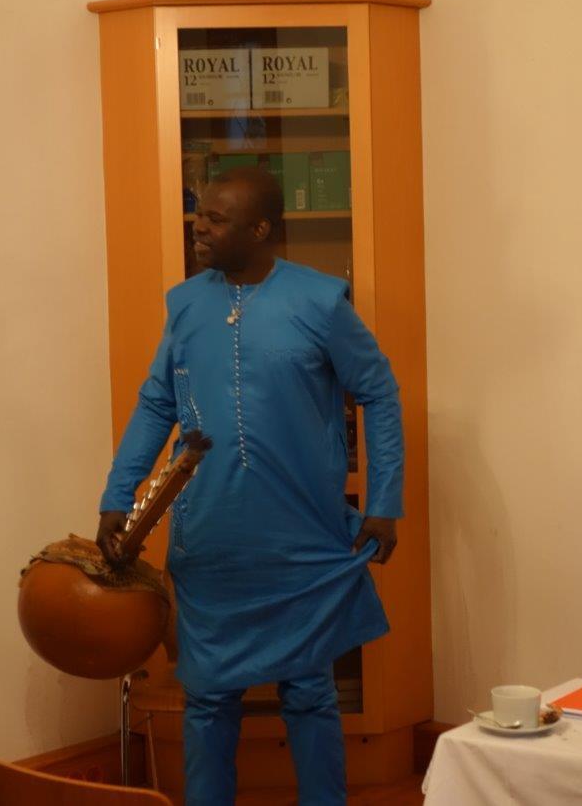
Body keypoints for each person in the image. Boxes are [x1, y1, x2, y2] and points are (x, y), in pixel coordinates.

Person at [97, 167, 404, 805]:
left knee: (309, 693)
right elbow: (156, 403)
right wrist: (118, 497)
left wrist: (383, 503)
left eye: (215, 218)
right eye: (199, 214)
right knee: (209, 700)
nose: (199, 227)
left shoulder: (321, 302)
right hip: (211, 541)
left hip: (302, 539)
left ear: (260, 229)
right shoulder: (185, 304)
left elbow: (378, 391)